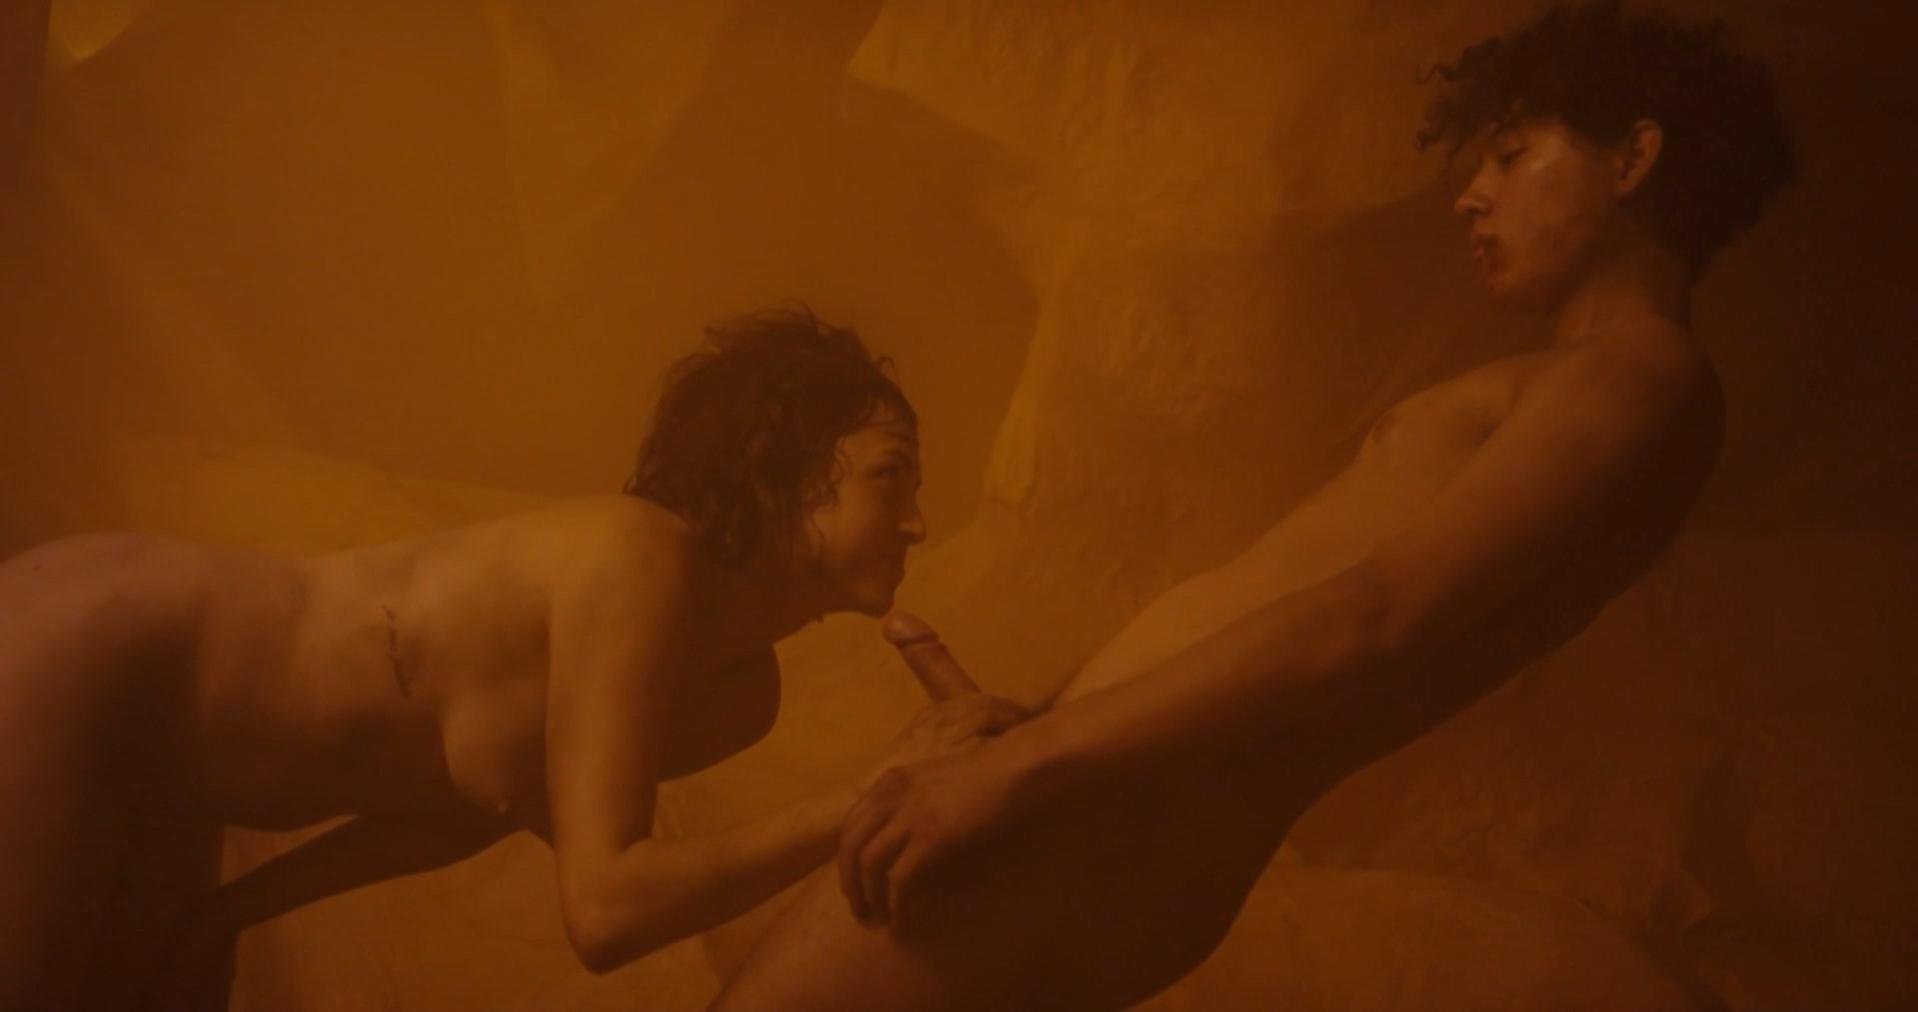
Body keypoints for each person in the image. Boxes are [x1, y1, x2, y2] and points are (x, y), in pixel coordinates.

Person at [712, 4, 1797, 1008]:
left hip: (1102, 818)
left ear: (1632, 158)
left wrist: (1016, 768)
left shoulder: (1639, 378)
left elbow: (1373, 616)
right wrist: (1028, 724)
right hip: (1104, 811)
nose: (1472, 195)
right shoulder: (1586, 386)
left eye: (1511, 156)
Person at [0, 308, 1025, 1010]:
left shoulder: (735, 695)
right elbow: (606, 909)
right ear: (786, 470)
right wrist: (882, 790)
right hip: (106, 646)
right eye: (891, 477)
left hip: (177, 764)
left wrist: (238, 906)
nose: (917, 522)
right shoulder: (639, 557)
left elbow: (468, 802)